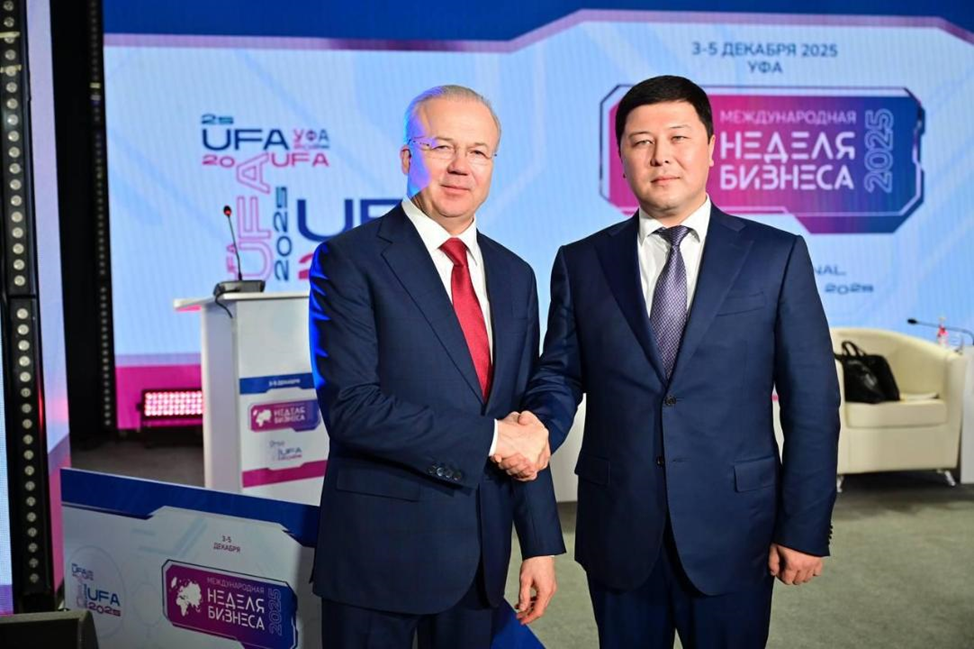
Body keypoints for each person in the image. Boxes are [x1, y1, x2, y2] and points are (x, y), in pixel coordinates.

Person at [510, 75, 840, 648]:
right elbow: (560, 373)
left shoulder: (776, 255)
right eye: (641, 142)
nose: (660, 155)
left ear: (711, 147)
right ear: (621, 158)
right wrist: (536, 425)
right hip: (619, 527)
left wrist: (805, 525)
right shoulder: (582, 262)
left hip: (735, 529)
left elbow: (812, 402)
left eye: (678, 137)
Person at [308, 84, 564, 649]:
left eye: (478, 151)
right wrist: (491, 438)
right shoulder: (349, 260)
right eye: (441, 146)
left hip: (480, 560)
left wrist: (540, 543)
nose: (460, 166)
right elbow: (352, 410)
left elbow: (522, 420)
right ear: (407, 157)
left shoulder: (515, 275)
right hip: (379, 557)